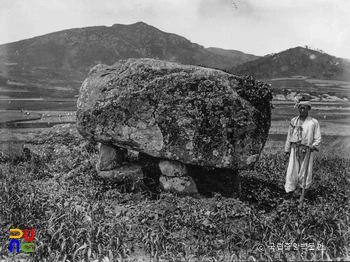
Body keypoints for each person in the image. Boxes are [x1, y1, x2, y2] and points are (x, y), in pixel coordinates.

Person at [284, 98, 322, 194]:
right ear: (298, 108)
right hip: (294, 148)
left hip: (307, 149)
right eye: (300, 108)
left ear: (308, 109)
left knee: (305, 170)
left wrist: (314, 146)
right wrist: (287, 149)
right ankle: (290, 191)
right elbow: (289, 135)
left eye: (304, 108)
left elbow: (318, 137)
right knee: (292, 169)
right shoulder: (294, 121)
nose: (302, 110)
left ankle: (303, 191)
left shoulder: (314, 122)